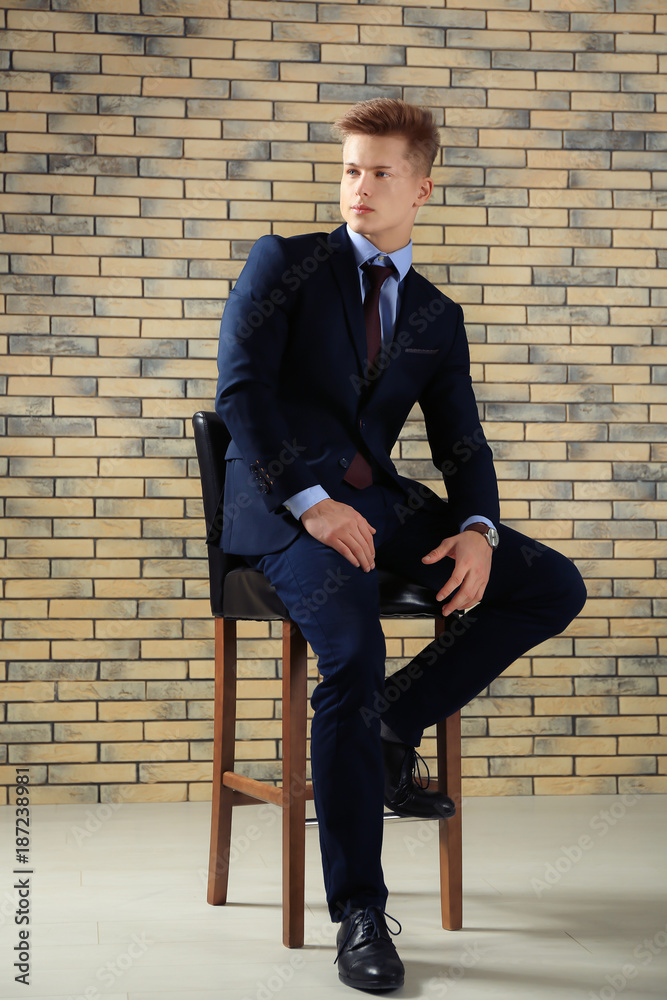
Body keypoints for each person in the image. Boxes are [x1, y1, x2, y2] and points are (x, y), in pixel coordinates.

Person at [211, 98, 587, 992]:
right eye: (350, 169)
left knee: (551, 585)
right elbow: (242, 395)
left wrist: (478, 530)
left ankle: (393, 719)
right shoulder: (285, 264)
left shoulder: (434, 313)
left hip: (381, 507)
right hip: (281, 515)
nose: (360, 187)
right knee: (352, 651)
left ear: (422, 186)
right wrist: (308, 502)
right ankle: (360, 913)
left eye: (380, 172)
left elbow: (463, 439)